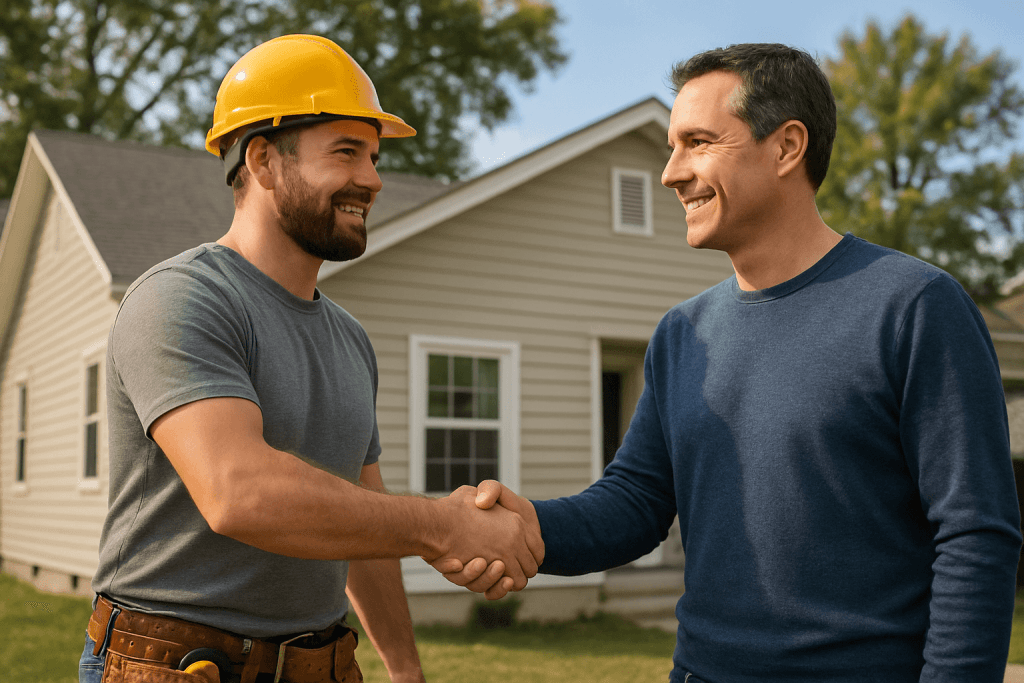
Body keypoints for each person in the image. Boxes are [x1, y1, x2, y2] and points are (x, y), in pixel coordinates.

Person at [440, 43, 1024, 682]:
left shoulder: (914, 306)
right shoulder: (682, 334)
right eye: (671, 146)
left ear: (786, 147)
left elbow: (975, 536)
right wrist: (533, 525)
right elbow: (636, 503)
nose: (670, 173)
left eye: (697, 142)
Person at [79, 34, 542, 683]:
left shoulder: (350, 338)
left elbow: (364, 529)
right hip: (175, 664)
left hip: (322, 663)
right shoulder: (183, 298)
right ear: (264, 160)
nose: (374, 180)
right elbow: (237, 491)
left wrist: (406, 670)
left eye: (375, 156)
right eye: (347, 152)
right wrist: (440, 525)